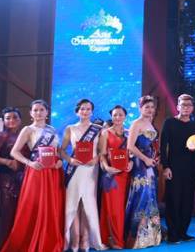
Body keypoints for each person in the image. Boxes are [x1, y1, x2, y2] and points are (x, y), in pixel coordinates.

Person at [1, 100, 64, 252]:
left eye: (41, 110)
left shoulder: (52, 130)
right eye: (35, 110)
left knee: (51, 206)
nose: (38, 113)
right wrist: (29, 163)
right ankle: (34, 240)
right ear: (30, 113)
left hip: (53, 171)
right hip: (37, 171)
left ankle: (49, 240)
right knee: (35, 205)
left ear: (47, 112)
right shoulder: (28, 130)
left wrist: (60, 161)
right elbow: (14, 152)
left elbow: (57, 151)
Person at [61, 99, 105, 251]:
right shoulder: (70, 128)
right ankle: (74, 240)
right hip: (75, 169)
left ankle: (85, 240)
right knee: (72, 205)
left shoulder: (98, 129)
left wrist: (96, 159)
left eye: (88, 109)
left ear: (92, 111)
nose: (85, 111)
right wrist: (69, 159)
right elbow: (61, 150)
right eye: (82, 109)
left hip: (90, 170)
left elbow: (102, 151)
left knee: (88, 204)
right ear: (77, 112)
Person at [159, 94, 195, 243]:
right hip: (173, 168)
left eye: (189, 105)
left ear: (192, 108)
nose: (186, 108)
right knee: (173, 200)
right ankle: (173, 234)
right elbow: (163, 146)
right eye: (183, 105)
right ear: (178, 106)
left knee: (188, 201)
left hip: (191, 169)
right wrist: (165, 167)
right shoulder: (169, 123)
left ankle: (183, 232)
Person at [124, 96, 161, 248]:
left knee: (150, 196)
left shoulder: (150, 123)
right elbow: (130, 146)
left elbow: (152, 145)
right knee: (141, 196)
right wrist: (145, 159)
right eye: (147, 107)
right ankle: (136, 237)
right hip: (140, 165)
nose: (150, 110)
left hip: (150, 164)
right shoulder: (136, 123)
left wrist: (154, 158)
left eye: (152, 107)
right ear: (140, 108)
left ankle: (150, 237)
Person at [0, 108, 23, 250]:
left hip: (24, 178)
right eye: (8, 118)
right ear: (3, 120)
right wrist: (7, 162)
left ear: (20, 120)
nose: (11, 120)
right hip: (6, 179)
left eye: (15, 117)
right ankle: (5, 246)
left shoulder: (24, 134)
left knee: (21, 213)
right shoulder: (0, 136)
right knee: (6, 213)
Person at [98, 105, 131, 248]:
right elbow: (102, 155)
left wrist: (131, 163)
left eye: (120, 115)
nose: (117, 117)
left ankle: (119, 237)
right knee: (113, 208)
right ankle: (115, 239)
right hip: (112, 176)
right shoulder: (105, 133)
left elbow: (132, 153)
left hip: (127, 174)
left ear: (125, 117)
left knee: (124, 207)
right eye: (115, 115)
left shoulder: (129, 133)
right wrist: (107, 168)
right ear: (111, 117)